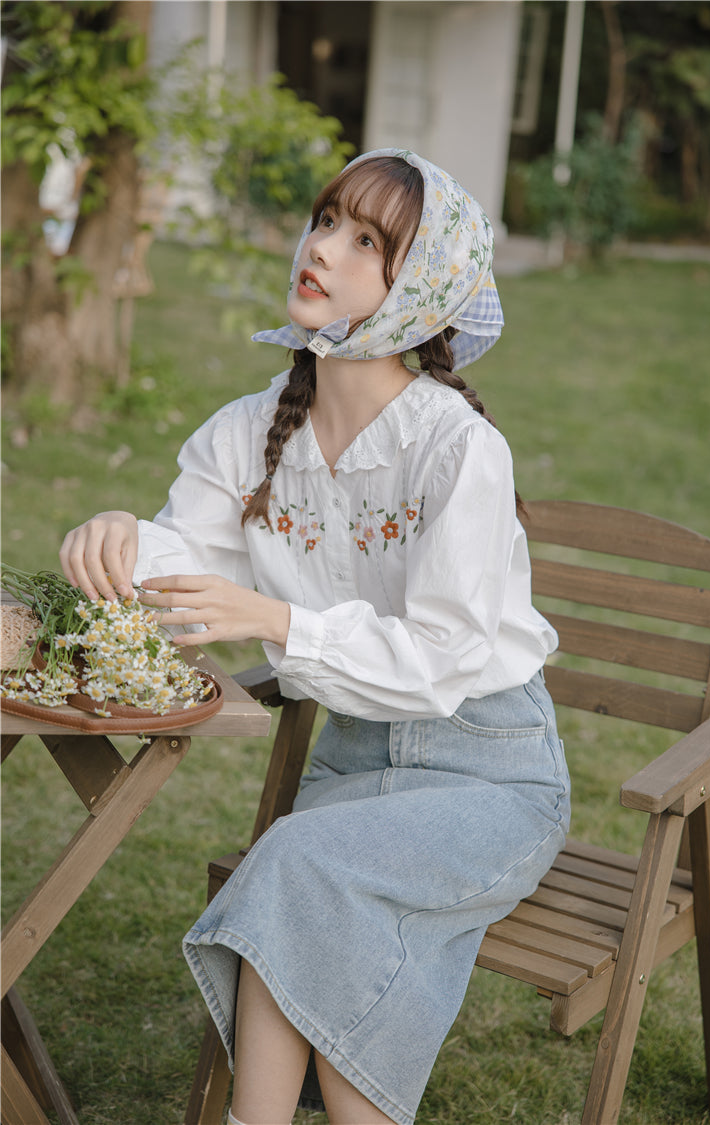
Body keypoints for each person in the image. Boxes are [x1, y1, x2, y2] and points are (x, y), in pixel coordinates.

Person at [59, 149, 570, 1125]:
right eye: (326, 220)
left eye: (367, 240)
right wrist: (124, 537)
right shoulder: (251, 431)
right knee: (304, 883)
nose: (323, 247)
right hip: (354, 762)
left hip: (494, 779)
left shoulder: (458, 448)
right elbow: (184, 558)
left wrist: (275, 620)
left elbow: (442, 659)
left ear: (416, 288)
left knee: (290, 868)